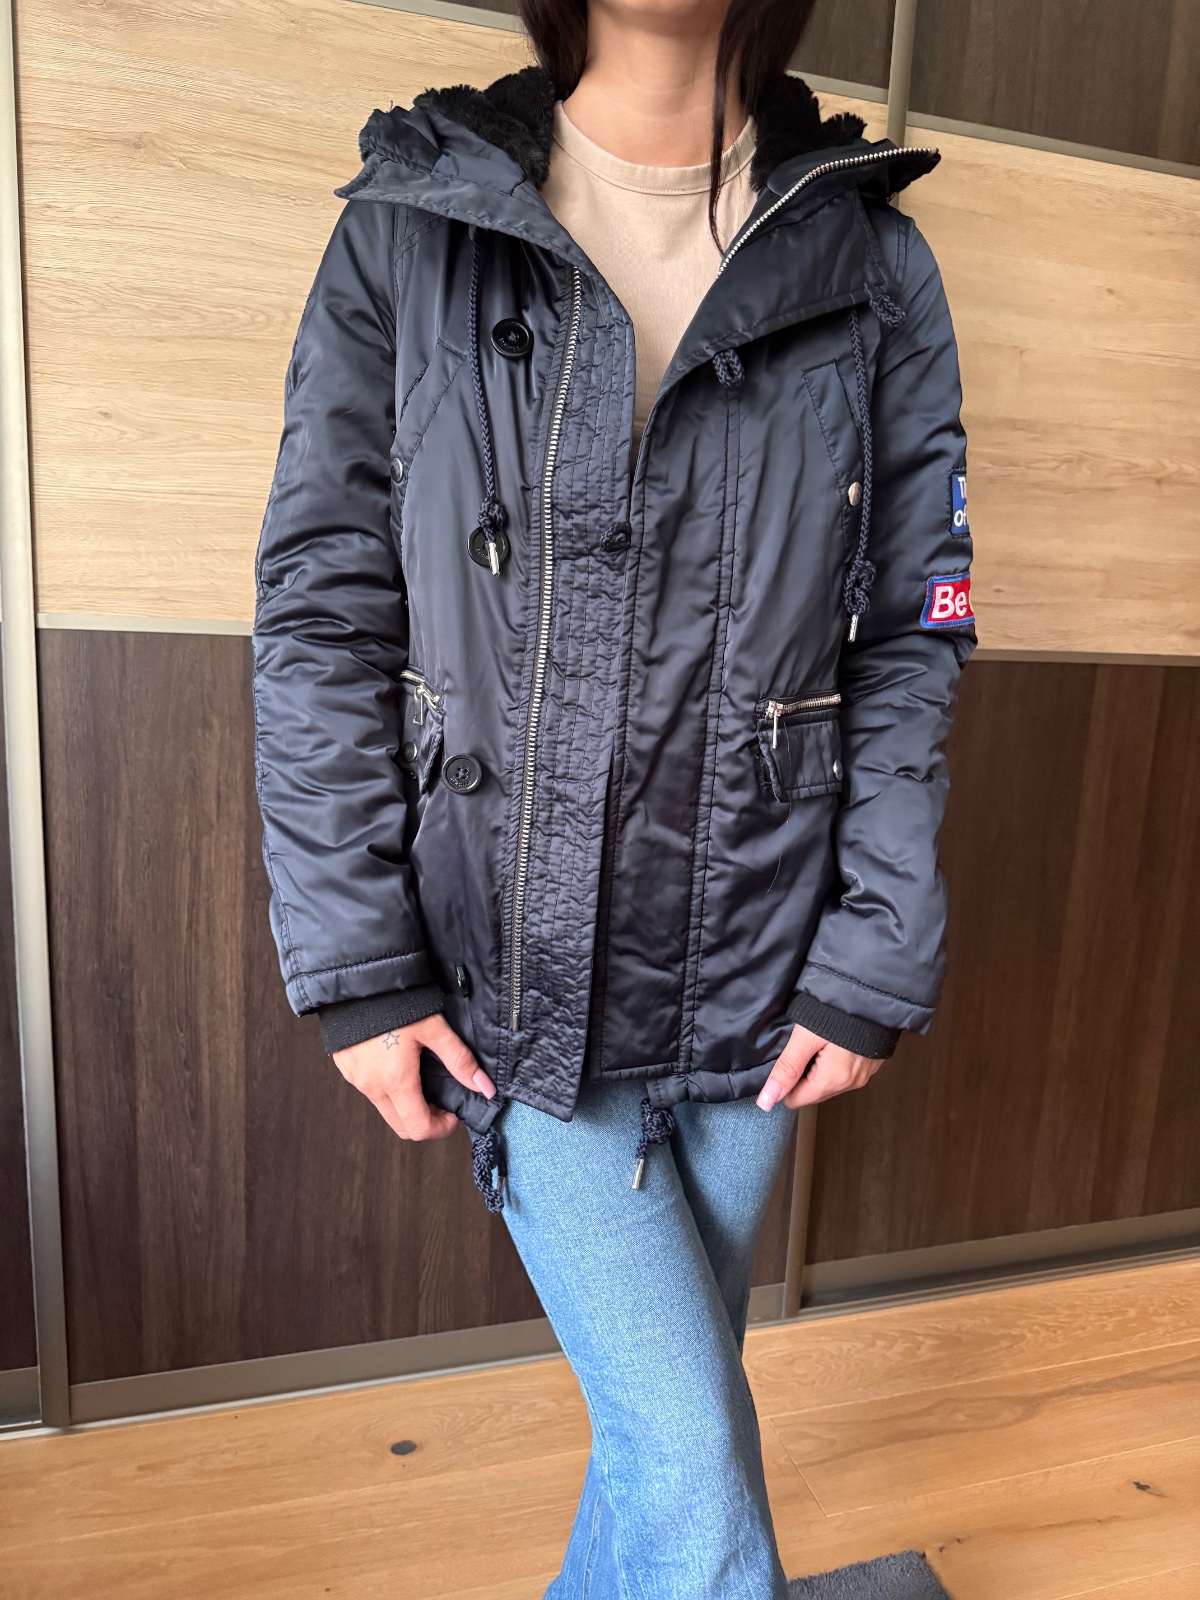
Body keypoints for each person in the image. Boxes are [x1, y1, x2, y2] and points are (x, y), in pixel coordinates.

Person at [251, 0, 975, 1591]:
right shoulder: (416, 226)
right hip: (512, 972)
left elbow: (913, 627)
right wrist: (358, 961)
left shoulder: (868, 257)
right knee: (692, 1450)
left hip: (763, 965)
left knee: (666, 1433)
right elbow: (322, 611)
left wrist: (874, 946)